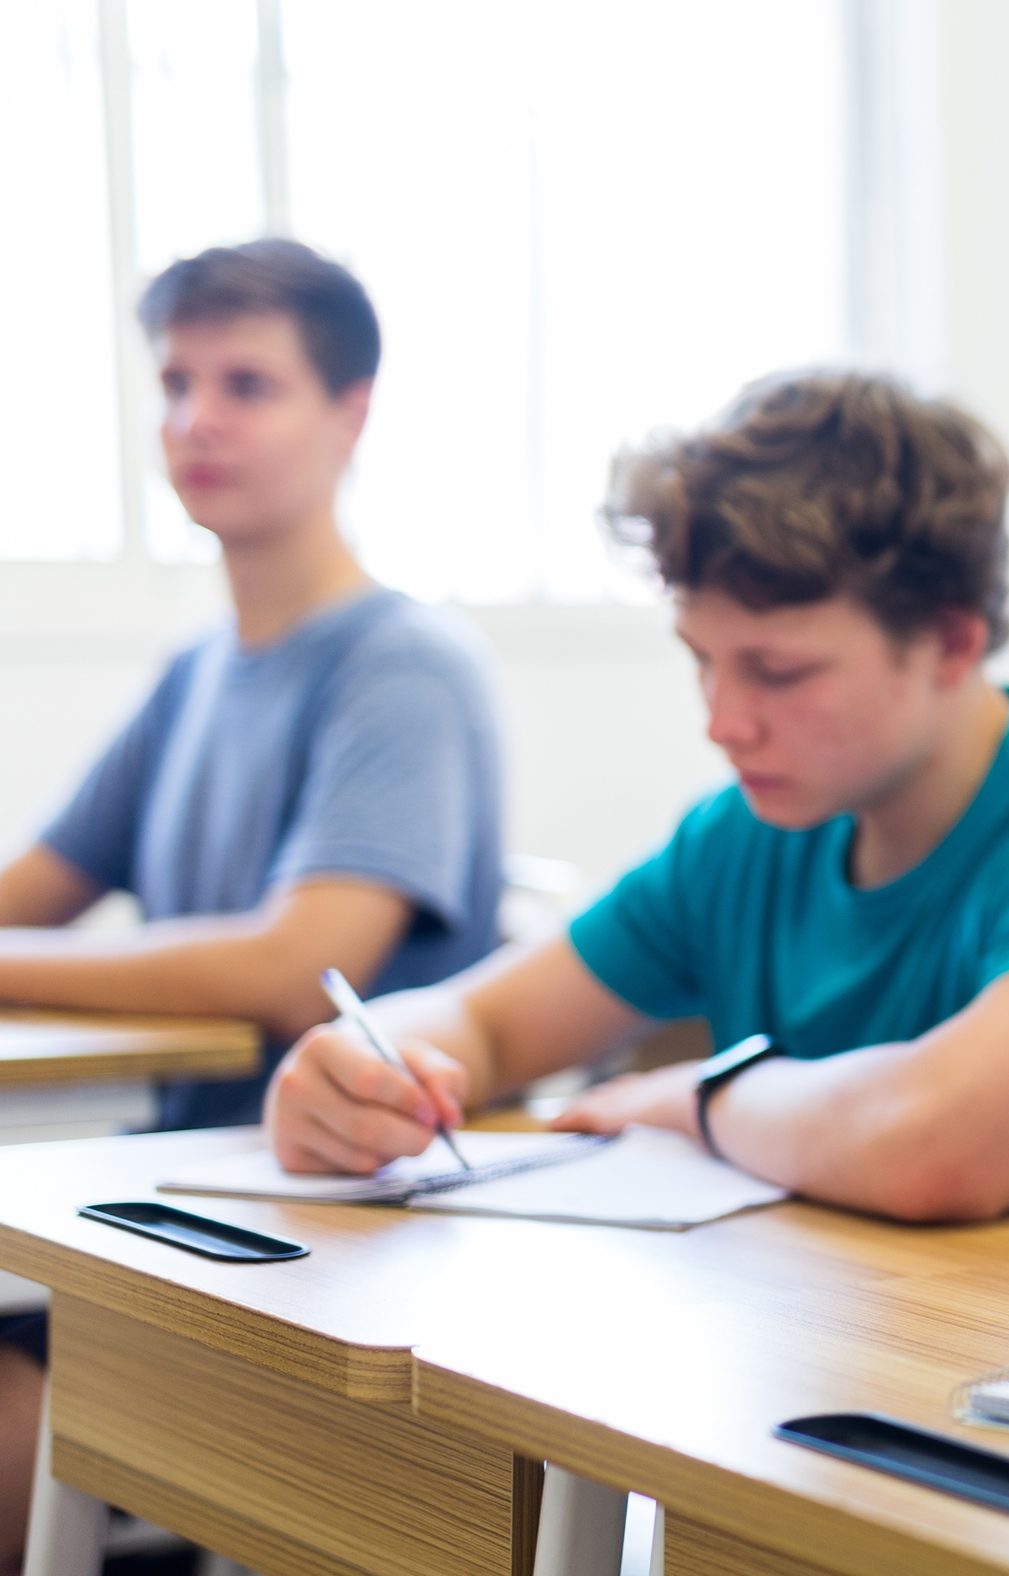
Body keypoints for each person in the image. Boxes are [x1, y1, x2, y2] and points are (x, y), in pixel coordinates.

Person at [259, 369, 1009, 1230]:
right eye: (703, 662)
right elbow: (493, 1023)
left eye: (777, 671)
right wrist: (359, 1065)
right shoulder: (750, 835)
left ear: (952, 644)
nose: (723, 723)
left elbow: (936, 1143)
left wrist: (700, 1098)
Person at [0, 238, 503, 1571]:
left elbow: (302, 963)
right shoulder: (195, 675)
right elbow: (33, 892)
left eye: (246, 384)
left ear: (353, 413)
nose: (195, 421)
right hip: (174, 1202)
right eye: (174, 383)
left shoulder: (406, 670)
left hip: (330, 1241)